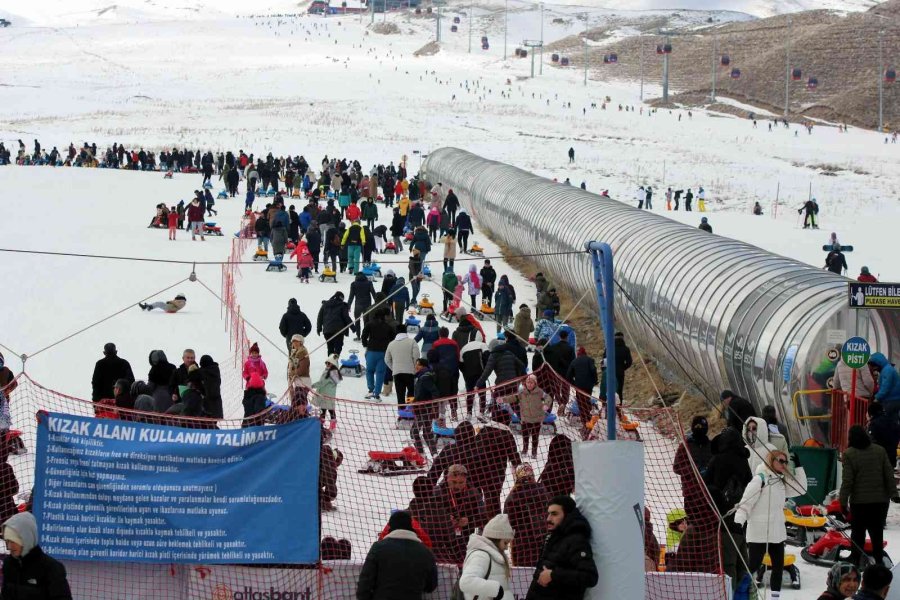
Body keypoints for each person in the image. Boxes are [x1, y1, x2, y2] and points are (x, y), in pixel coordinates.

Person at [734, 449, 808, 600]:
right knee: (753, 565)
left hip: (777, 531)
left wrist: (799, 467)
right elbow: (745, 505)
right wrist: (738, 523)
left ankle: (775, 597)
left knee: (778, 567)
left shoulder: (781, 481)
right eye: (780, 460)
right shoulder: (759, 479)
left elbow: (801, 489)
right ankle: (738, 592)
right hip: (759, 531)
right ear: (771, 460)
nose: (783, 464)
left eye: (785, 461)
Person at [840, 425, 899, 569]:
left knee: (858, 534)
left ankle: (855, 560)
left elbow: (848, 481)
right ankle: (878, 562)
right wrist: (894, 494)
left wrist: (842, 501)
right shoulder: (880, 450)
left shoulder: (849, 454)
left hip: (860, 503)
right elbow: (888, 475)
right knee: (877, 533)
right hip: (880, 502)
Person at [525, 495, 598, 600]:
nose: (548, 519)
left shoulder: (576, 541)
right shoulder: (554, 536)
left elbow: (590, 577)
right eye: (548, 514)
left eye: (554, 514)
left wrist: (553, 576)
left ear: (567, 515)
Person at [356, 510, 438, 600]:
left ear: (390, 527)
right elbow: (431, 586)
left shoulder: (378, 548)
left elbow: (365, 583)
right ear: (411, 527)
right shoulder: (425, 552)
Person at [2, 512, 72, 600]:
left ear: (26, 539)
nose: (9, 547)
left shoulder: (51, 568)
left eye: (13, 542)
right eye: (7, 541)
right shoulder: (8, 564)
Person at [434, 464, 485, 564]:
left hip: (465, 539)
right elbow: (428, 515)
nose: (457, 486)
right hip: (442, 540)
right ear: (447, 478)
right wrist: (444, 520)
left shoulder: (474, 493)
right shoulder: (437, 492)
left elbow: (483, 516)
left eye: (461, 483)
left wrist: (469, 521)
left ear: (466, 480)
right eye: (454, 482)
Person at [459, 514, 515, 600]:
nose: (506, 547)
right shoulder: (481, 555)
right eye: (505, 543)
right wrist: (496, 589)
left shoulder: (495, 555)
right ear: (496, 539)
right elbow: (466, 582)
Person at [504, 463, 550, 567]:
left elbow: (508, 522)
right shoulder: (543, 491)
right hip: (544, 541)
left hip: (522, 545)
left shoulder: (513, 496)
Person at [361, 311, 394, 401]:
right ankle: (377, 394)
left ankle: (371, 389)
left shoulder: (369, 324)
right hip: (383, 352)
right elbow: (392, 339)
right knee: (380, 373)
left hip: (371, 350)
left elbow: (363, 336)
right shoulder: (388, 327)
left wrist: (366, 345)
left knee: (370, 371)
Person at [410, 357, 439, 456]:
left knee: (414, 432)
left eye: (419, 364)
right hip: (422, 408)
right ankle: (434, 454)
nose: (416, 366)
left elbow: (434, 391)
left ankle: (421, 454)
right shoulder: (422, 376)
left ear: (424, 366)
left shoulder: (425, 377)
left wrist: (433, 406)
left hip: (424, 409)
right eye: (416, 364)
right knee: (427, 434)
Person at [386, 324, 421, 405]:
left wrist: (394, 368)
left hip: (397, 373)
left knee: (400, 394)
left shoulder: (391, 344)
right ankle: (409, 410)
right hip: (410, 372)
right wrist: (414, 367)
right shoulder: (412, 342)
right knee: (411, 392)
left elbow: (387, 359)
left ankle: (402, 413)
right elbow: (416, 356)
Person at [514, 375, 546, 458]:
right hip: (525, 419)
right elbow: (514, 400)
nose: (529, 384)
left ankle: (534, 452)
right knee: (525, 436)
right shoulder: (522, 393)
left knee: (535, 436)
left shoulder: (540, 392)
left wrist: (545, 408)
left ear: (535, 383)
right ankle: (525, 450)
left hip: (536, 419)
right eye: (528, 382)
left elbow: (548, 399)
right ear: (525, 383)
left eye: (531, 383)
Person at [566, 347, 598, 430]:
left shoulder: (574, 361)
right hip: (588, 386)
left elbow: (568, 375)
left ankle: (585, 423)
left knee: (581, 404)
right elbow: (593, 370)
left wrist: (574, 384)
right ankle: (588, 422)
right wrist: (595, 381)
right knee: (587, 402)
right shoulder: (590, 360)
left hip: (579, 387)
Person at [317, 292, 354, 357]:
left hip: (327, 330)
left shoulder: (325, 304)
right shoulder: (342, 305)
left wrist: (319, 328)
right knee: (338, 348)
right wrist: (353, 327)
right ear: (341, 298)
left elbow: (320, 317)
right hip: (338, 330)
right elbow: (346, 317)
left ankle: (330, 364)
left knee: (330, 347)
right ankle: (333, 363)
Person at [311, 354, 341, 430]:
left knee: (324, 410)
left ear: (333, 364)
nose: (327, 365)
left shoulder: (329, 373)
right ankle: (330, 425)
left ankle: (322, 424)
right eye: (326, 363)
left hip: (325, 395)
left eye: (329, 363)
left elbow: (321, 383)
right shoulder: (335, 373)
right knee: (329, 410)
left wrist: (311, 386)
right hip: (330, 396)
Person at [867, 402, 900, 470]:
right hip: (891, 456)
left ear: (871, 413)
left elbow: (872, 441)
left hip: (878, 460)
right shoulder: (892, 421)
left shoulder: (874, 424)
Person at [869, 353, 900, 417]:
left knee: (887, 420)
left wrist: (877, 398)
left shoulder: (887, 370)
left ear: (878, 364)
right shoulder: (887, 369)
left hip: (891, 400)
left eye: (874, 366)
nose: (874, 369)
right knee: (893, 420)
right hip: (894, 399)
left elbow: (885, 387)